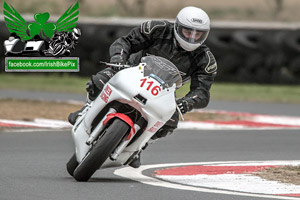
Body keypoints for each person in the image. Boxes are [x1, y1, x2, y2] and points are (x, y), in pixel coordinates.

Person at [68, 6, 217, 168]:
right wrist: (119, 59)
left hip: (164, 91)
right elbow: (125, 42)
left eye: (198, 34)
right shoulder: (157, 29)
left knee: (171, 120)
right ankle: (87, 108)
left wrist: (186, 102)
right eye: (188, 32)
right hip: (132, 72)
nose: (192, 38)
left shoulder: (205, 59)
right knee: (101, 79)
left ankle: (139, 147)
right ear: (177, 27)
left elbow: (201, 92)